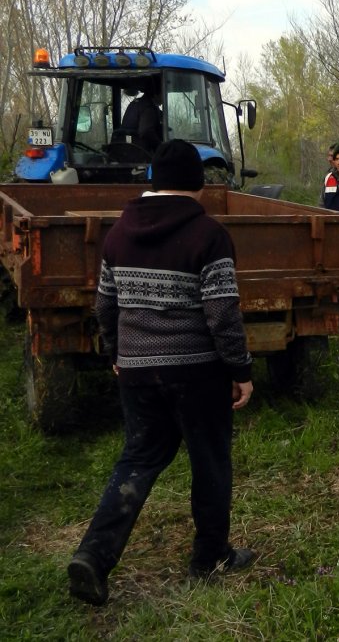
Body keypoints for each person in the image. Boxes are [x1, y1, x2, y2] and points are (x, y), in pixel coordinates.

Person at [67, 139, 254, 606]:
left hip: (135, 370)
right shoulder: (209, 235)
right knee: (209, 462)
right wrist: (241, 370)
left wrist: (117, 352)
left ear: (152, 182)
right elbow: (222, 316)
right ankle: (209, 557)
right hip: (197, 374)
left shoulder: (117, 234)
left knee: (137, 459)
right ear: (198, 184)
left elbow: (105, 304)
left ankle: (93, 554)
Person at [120, 80, 163, 151]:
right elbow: (146, 132)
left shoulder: (136, 103)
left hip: (126, 150)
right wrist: (161, 147)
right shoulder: (148, 107)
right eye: (163, 93)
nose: (164, 98)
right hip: (139, 154)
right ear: (156, 93)